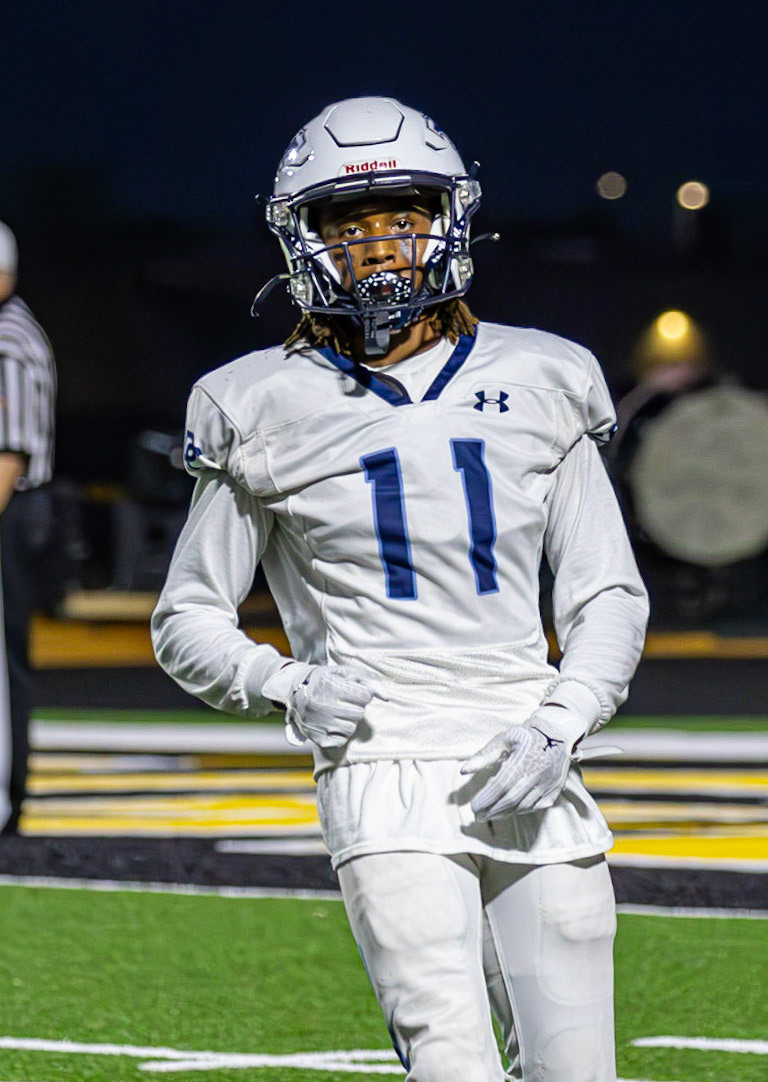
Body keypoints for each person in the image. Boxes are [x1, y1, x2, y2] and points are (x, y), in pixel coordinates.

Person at [152, 97, 649, 1081]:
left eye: (402, 217)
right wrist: (284, 683)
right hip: (381, 760)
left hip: (530, 749)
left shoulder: (545, 375)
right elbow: (187, 617)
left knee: (579, 1070)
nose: (379, 245)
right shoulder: (256, 400)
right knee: (451, 1061)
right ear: (306, 239)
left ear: (448, 221)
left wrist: (563, 721)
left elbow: (607, 594)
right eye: (349, 224)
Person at [0, 220, 57, 835]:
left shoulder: (7, 339)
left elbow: (8, 453)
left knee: (3, 657)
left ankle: (4, 797)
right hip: (16, 507)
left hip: (9, 509)